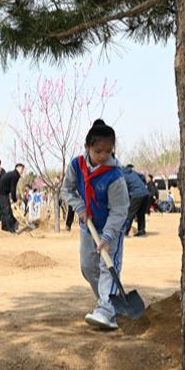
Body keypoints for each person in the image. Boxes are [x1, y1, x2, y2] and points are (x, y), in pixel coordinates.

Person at [60, 119, 129, 330]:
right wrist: (78, 206)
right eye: (98, 150)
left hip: (111, 229)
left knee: (108, 267)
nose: (103, 156)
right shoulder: (76, 165)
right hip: (88, 225)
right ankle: (108, 304)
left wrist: (108, 236)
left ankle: (106, 310)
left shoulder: (114, 175)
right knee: (88, 267)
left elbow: (119, 209)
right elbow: (66, 190)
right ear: (87, 147)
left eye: (108, 151)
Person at [122, 164, 150, 237]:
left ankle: (125, 232)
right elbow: (143, 177)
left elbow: (124, 189)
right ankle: (141, 231)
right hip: (145, 193)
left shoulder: (121, 175)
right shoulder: (132, 172)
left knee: (130, 213)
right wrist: (142, 185)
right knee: (140, 213)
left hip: (136, 194)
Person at [0, 163, 24, 233]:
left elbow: (12, 188)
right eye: (22, 169)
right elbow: (13, 188)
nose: (22, 171)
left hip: (3, 194)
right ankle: (10, 229)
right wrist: (15, 200)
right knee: (7, 211)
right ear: (17, 168)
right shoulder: (15, 175)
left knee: (6, 211)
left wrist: (14, 200)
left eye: (23, 169)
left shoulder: (14, 174)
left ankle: (5, 228)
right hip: (1, 194)